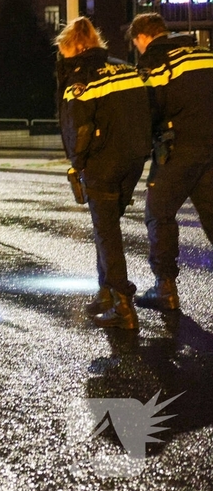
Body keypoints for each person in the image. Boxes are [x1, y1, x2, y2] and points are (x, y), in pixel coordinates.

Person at [56, 17, 150, 330]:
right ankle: (106, 294)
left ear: (74, 47)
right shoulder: (124, 67)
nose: (63, 58)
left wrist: (77, 162)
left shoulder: (81, 78)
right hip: (134, 159)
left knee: (107, 233)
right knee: (105, 227)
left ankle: (122, 304)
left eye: (64, 52)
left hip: (103, 162)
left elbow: (79, 127)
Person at [131, 12, 213, 312]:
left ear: (142, 37)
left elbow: (148, 111)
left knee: (158, 213)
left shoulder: (155, 62)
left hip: (180, 150)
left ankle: (165, 288)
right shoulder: (204, 54)